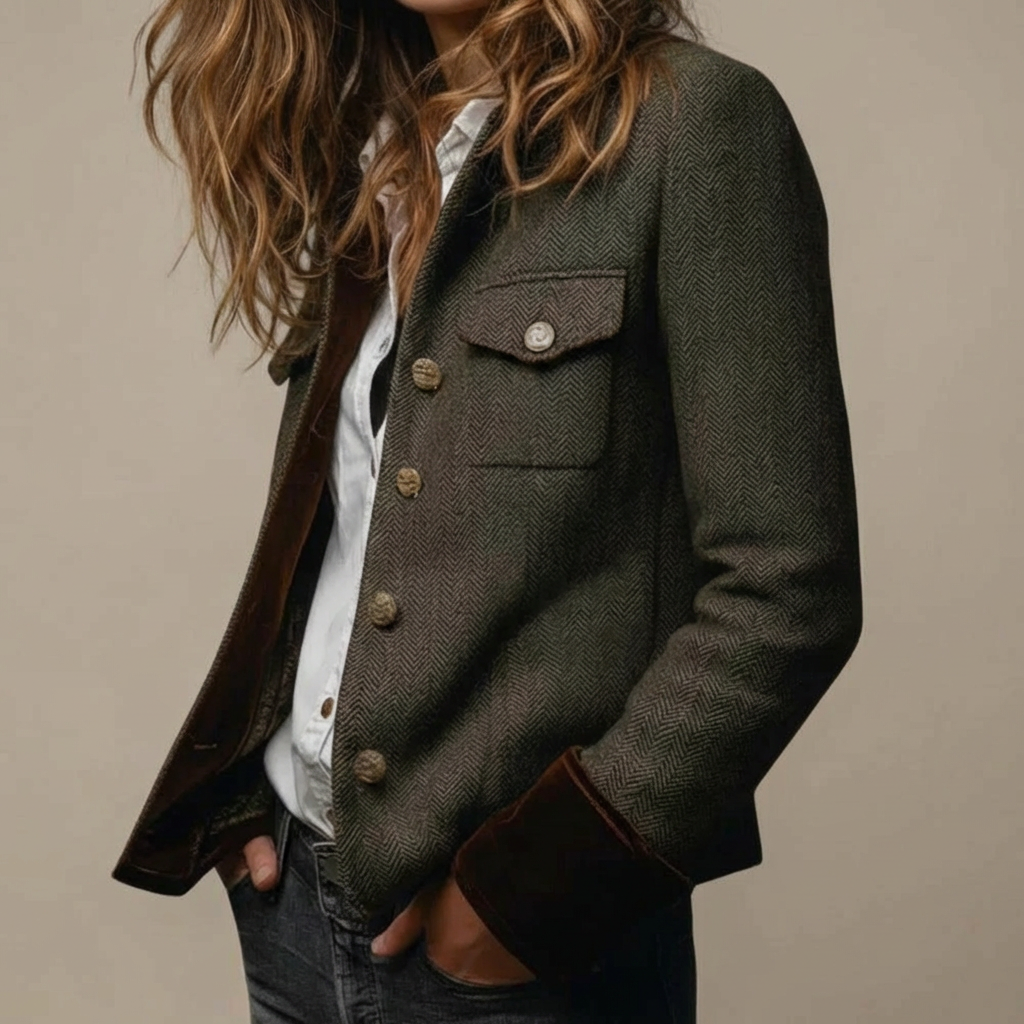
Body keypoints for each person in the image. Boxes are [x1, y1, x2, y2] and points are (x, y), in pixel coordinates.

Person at [113, 1, 863, 1021]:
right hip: (291, 907)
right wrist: (248, 783)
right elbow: (352, 529)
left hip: (519, 946)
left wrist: (541, 888)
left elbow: (791, 588)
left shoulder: (694, 125)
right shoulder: (376, 153)